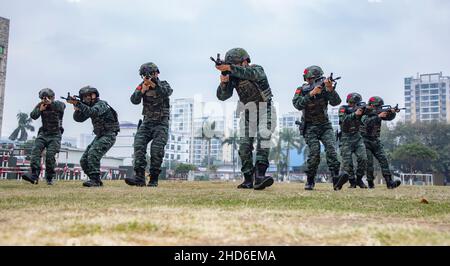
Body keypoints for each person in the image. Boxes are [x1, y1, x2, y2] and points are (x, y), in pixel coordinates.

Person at [216, 48, 275, 190]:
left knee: (264, 137)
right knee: (244, 146)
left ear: (244, 61)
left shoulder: (256, 69)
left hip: (264, 109)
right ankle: (248, 178)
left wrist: (229, 68)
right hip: (248, 113)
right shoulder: (233, 77)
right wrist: (224, 83)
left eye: (234, 64)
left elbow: (251, 74)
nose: (233, 67)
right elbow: (223, 97)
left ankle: (260, 175)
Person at [292, 66, 345, 190]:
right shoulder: (301, 90)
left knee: (332, 151)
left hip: (325, 126)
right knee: (314, 153)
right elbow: (297, 104)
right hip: (309, 127)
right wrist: (311, 94)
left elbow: (336, 102)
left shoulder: (325, 88)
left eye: (313, 79)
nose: (310, 81)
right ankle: (310, 181)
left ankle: (336, 179)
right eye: (309, 79)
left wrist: (330, 88)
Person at [125, 62, 172, 187]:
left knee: (156, 151)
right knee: (138, 146)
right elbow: (134, 100)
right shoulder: (142, 85)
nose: (149, 76)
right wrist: (142, 91)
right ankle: (139, 177)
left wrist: (154, 85)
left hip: (161, 124)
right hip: (147, 122)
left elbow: (167, 92)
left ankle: (153, 179)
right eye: (146, 75)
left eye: (152, 73)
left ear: (157, 73)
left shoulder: (164, 84)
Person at [67, 86, 120, 187]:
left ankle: (95, 180)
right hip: (100, 135)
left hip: (109, 134)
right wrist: (77, 109)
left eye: (89, 96)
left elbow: (93, 112)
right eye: (84, 97)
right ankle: (95, 180)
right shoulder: (87, 107)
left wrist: (78, 103)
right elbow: (78, 119)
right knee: (84, 160)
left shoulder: (101, 104)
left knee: (93, 153)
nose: (87, 98)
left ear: (94, 95)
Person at [22, 88, 65, 185]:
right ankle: (34, 175)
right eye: (43, 98)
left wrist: (51, 103)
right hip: (43, 133)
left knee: (50, 156)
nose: (45, 100)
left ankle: (49, 178)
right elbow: (33, 115)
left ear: (53, 97)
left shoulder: (58, 104)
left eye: (48, 97)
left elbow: (62, 107)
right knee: (35, 151)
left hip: (55, 135)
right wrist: (39, 109)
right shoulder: (41, 105)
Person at [360, 96, 401, 189]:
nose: (378, 108)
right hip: (364, 141)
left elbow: (389, 118)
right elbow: (367, 122)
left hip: (375, 140)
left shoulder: (378, 113)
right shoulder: (364, 112)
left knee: (384, 160)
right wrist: (378, 116)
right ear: (371, 106)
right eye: (377, 106)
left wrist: (392, 112)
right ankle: (370, 182)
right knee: (369, 163)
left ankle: (389, 182)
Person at [337, 93, 367, 189]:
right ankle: (352, 182)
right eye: (351, 103)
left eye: (354, 103)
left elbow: (373, 113)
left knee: (363, 158)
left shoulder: (363, 110)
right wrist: (355, 114)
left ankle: (359, 179)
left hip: (357, 137)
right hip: (345, 138)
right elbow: (343, 120)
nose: (352, 105)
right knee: (348, 163)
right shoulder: (343, 109)